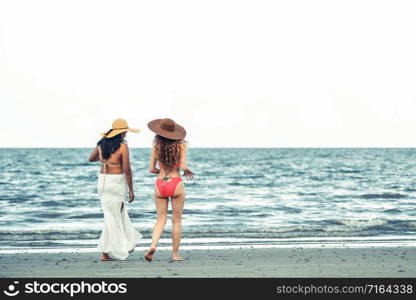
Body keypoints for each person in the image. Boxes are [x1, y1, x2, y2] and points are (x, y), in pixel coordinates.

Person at [88, 118, 142, 261]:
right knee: (115, 215)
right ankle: (123, 246)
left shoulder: (101, 144)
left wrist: (104, 157)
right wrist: (131, 189)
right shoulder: (123, 147)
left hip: (103, 182)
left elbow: (91, 159)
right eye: (125, 132)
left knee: (111, 216)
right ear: (122, 132)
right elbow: (127, 169)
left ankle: (105, 253)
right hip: (116, 182)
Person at [144, 118, 194, 262]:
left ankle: (153, 246)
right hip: (176, 183)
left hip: (160, 183)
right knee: (176, 221)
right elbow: (183, 166)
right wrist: (186, 170)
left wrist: (160, 172)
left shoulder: (156, 146)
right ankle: (175, 255)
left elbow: (151, 169)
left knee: (160, 220)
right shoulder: (182, 146)